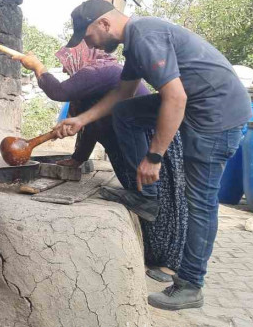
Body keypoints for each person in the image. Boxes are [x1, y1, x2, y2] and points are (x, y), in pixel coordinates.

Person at [55, 0, 251, 310]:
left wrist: (154, 157)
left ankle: (190, 284)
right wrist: (81, 119)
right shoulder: (135, 43)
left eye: (88, 36)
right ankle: (147, 197)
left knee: (199, 202)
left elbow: (176, 97)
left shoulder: (145, 37)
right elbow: (123, 93)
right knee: (126, 112)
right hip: (198, 107)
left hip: (215, 117)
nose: (88, 43)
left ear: (104, 24)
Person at [18, 42, 188, 283]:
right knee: (141, 201)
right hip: (126, 150)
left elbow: (58, 92)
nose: (67, 73)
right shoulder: (90, 87)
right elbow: (89, 128)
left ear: (78, 58)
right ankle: (153, 256)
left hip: (150, 144)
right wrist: (78, 159)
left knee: (163, 202)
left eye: (67, 67)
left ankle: (171, 264)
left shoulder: (99, 72)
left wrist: (37, 66)